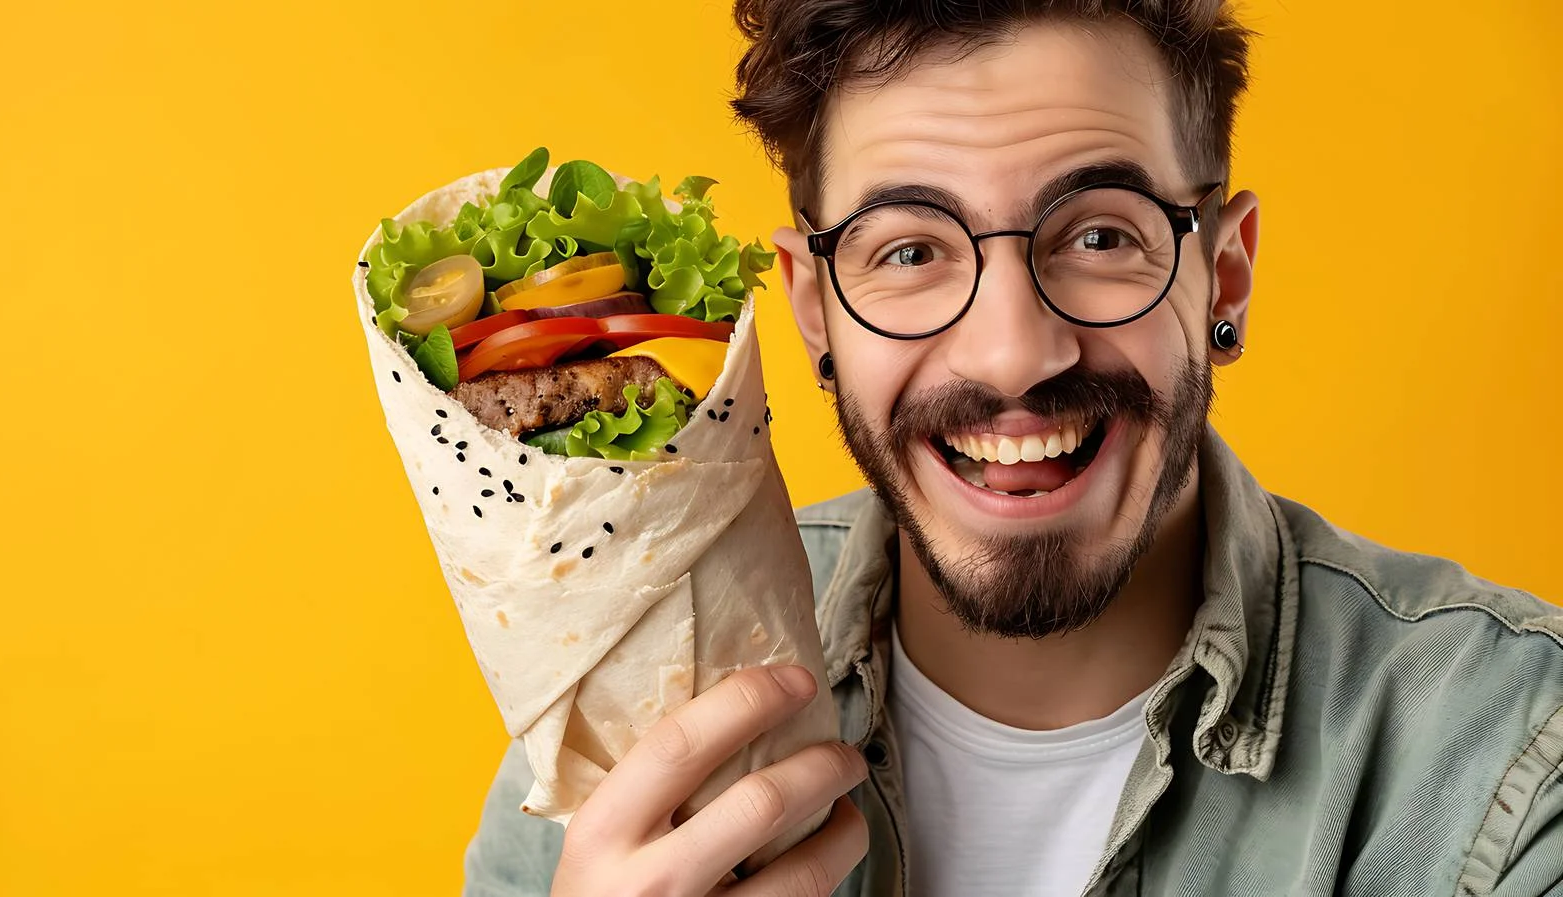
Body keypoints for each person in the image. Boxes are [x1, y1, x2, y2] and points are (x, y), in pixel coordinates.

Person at [463, 1, 1563, 894]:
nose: (1012, 355)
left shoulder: (1511, 753)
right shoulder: (614, 712)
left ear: (1223, 278)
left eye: (1100, 234)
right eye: (909, 251)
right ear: (813, 313)